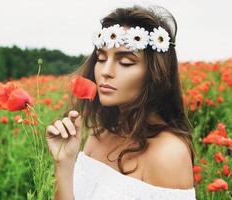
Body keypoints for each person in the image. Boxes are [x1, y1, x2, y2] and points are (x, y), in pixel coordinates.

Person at [46, 4, 197, 200]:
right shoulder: (100, 133)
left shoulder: (168, 154)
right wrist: (64, 164)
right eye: (101, 58)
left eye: (125, 62)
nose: (105, 71)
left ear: (156, 73)